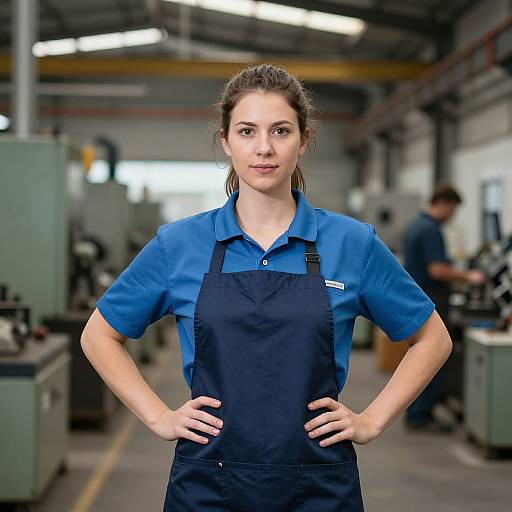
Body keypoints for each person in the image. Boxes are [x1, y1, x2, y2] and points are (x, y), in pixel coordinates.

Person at [81, 64, 453, 512]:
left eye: (280, 131)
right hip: (207, 483)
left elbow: (432, 337)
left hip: (318, 484)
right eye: (246, 131)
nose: (263, 148)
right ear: (225, 141)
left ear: (304, 139)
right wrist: (159, 415)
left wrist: (372, 419)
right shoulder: (179, 245)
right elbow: (99, 334)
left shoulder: (351, 244)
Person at [403, 184, 485, 432]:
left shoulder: (416, 225)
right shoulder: (430, 230)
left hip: (418, 299)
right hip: (432, 299)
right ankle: (421, 415)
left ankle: (421, 409)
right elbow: (436, 270)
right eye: (453, 209)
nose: (453, 215)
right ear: (444, 204)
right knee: (434, 354)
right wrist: (469, 277)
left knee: (421, 355)